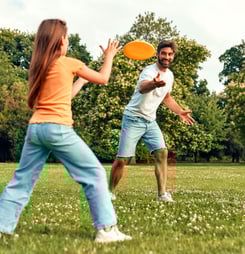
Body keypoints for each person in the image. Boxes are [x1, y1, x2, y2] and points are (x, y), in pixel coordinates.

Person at [0, 19, 132, 243]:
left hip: (35, 129)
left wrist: (80, 81)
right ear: (62, 41)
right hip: (57, 128)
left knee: (21, 180)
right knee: (95, 174)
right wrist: (109, 56)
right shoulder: (69, 62)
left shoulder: (40, 66)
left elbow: (64, 97)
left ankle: (2, 226)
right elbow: (103, 78)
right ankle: (106, 230)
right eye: (68, 37)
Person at [109, 40, 195, 202]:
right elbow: (142, 88)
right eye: (163, 53)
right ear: (157, 54)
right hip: (133, 119)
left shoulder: (169, 75)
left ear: (173, 56)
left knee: (162, 152)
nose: (166, 57)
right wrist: (153, 84)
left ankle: (162, 194)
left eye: (170, 54)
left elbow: (167, 97)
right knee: (123, 159)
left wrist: (179, 112)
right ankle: (109, 192)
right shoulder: (149, 71)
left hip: (150, 121)